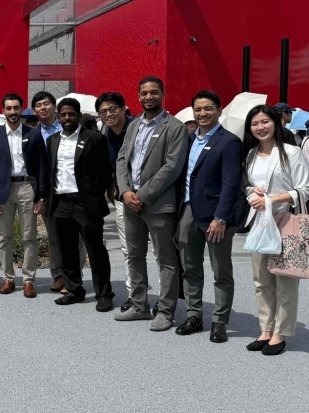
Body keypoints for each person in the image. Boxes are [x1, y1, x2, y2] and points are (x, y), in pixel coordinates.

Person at [114, 76, 187, 331]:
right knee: (134, 256)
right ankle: (139, 305)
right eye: (144, 93)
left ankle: (166, 311)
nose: (148, 97)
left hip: (157, 204)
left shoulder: (174, 127)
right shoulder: (133, 125)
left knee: (165, 258)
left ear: (163, 94)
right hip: (129, 202)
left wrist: (141, 195)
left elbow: (172, 167)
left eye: (154, 92)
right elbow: (122, 160)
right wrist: (124, 192)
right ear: (138, 96)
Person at [175, 90, 242, 343]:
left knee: (220, 270)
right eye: (198, 109)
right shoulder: (189, 139)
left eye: (208, 108)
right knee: (190, 268)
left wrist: (221, 218)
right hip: (187, 212)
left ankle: (219, 321)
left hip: (216, 217)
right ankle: (194, 314)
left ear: (219, 110)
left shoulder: (229, 141)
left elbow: (231, 184)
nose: (203, 113)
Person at [242, 105, 309, 355]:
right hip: (260, 222)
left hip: (285, 221)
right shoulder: (250, 154)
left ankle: (281, 333)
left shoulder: (290, 152)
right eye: (255, 123)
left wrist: (272, 199)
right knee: (261, 281)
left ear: (276, 122)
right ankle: (265, 329)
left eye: (265, 122)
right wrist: (253, 193)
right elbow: (248, 186)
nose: (260, 127)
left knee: (285, 280)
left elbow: (305, 189)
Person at [47, 98, 114, 311]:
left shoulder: (94, 138)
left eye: (71, 114)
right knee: (67, 251)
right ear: (58, 117)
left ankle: (104, 294)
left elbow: (105, 171)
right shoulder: (53, 140)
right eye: (63, 115)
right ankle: (75, 290)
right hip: (60, 202)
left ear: (77, 115)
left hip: (85, 204)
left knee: (96, 251)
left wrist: (94, 194)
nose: (67, 118)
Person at [0, 93, 49, 298]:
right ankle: (8, 278)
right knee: (5, 237)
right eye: (8, 108)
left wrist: (41, 197)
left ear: (21, 110)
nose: (12, 112)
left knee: (29, 236)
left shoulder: (34, 133)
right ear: (3, 111)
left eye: (16, 108)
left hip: (27, 187)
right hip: (4, 190)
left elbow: (42, 166)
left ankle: (29, 280)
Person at [33, 91, 84, 292]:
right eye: (38, 105)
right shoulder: (33, 134)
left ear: (55, 107)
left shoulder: (70, 127)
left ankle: (74, 277)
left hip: (73, 190)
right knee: (54, 237)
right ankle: (58, 276)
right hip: (49, 193)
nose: (43, 108)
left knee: (77, 239)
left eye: (46, 103)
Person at [96, 92, 137, 312]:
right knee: (128, 248)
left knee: (160, 251)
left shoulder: (138, 129)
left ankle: (166, 298)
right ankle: (134, 294)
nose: (109, 114)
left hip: (151, 197)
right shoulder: (105, 134)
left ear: (123, 109)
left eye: (113, 109)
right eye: (103, 111)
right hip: (123, 198)